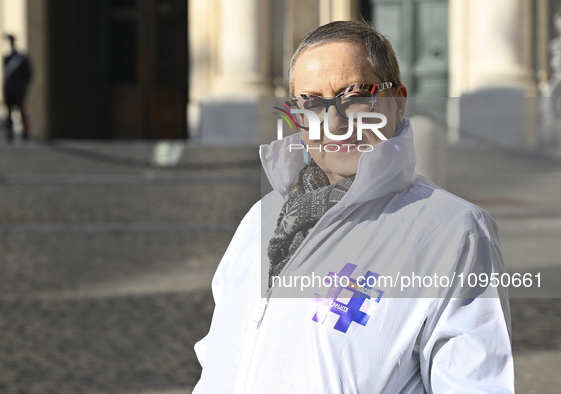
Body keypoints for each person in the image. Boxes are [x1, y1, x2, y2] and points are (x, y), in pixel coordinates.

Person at [194, 20, 513, 393]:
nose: (335, 123)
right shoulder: (260, 218)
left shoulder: (455, 232)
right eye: (312, 103)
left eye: (356, 95)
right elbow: (219, 361)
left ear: (397, 101)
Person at [3, 34, 32, 140]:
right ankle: (9, 132)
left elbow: (28, 75)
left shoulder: (22, 58)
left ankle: (26, 133)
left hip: (19, 90)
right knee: (9, 112)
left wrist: (22, 87)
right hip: (9, 90)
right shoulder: (6, 58)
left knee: (22, 111)